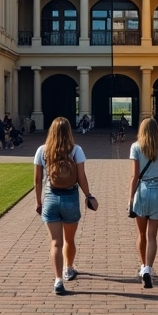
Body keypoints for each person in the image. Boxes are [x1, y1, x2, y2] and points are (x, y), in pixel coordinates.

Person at [34, 117, 96, 295]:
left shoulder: (43, 151)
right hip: (70, 197)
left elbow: (37, 180)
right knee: (69, 240)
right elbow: (81, 177)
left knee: (55, 242)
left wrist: (38, 202)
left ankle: (58, 280)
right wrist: (88, 195)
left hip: (50, 197)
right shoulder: (76, 150)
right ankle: (68, 268)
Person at [128, 116, 158, 288]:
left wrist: (130, 198)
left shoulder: (136, 147)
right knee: (152, 236)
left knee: (141, 234)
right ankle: (148, 268)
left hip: (142, 191)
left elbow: (134, 176)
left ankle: (142, 266)